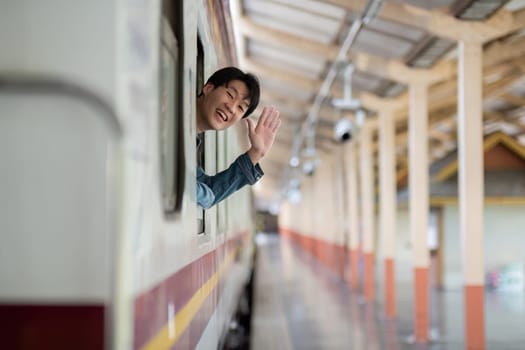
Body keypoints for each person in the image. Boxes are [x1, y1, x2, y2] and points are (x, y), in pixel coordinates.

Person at [196, 67, 281, 209]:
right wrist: (207, 196)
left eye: (241, 108)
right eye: (230, 95)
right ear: (209, 88)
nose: (232, 108)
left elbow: (209, 190)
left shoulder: (190, 142)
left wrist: (255, 153)